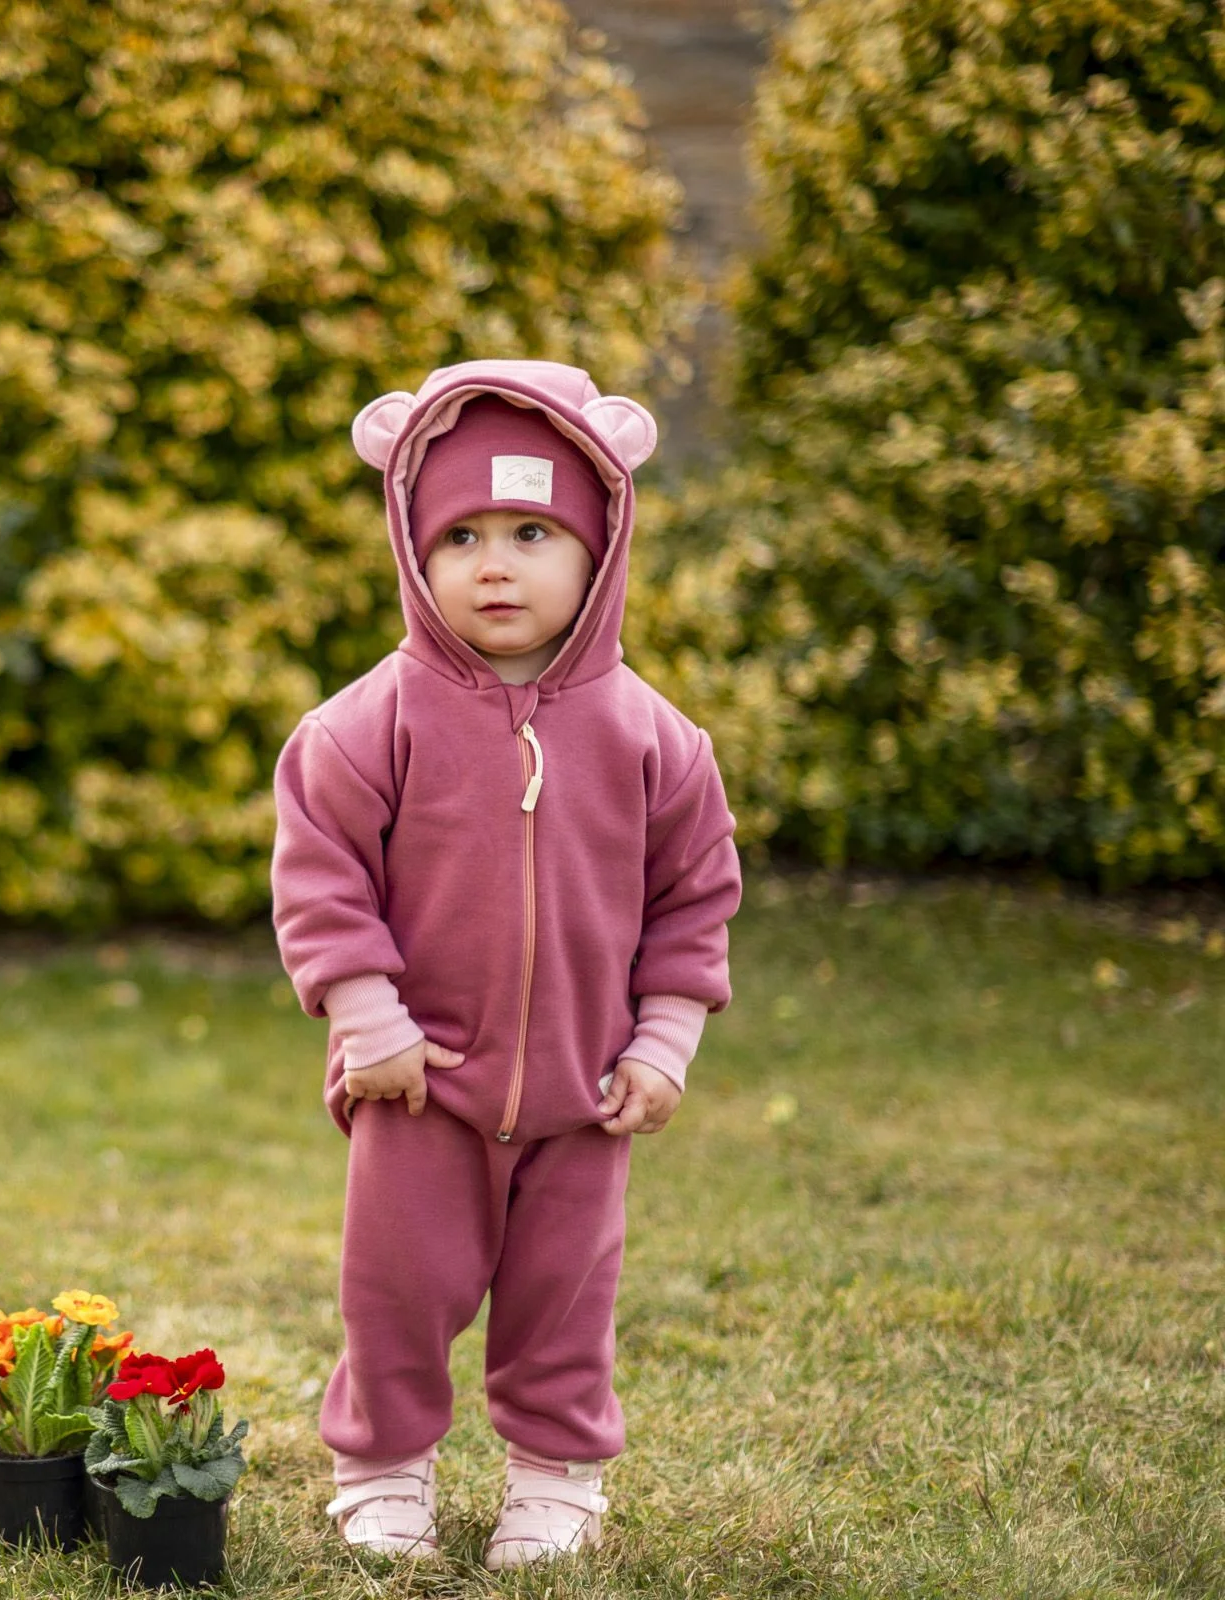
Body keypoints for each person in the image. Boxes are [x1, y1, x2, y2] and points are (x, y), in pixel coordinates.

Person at [270, 359, 742, 1569]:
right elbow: (321, 878)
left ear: (599, 548)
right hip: (417, 1082)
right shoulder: (364, 725)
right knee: (396, 1291)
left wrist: (664, 1040)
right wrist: (368, 1019)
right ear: (412, 551)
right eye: (461, 536)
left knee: (564, 1301)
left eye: (532, 533)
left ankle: (555, 1476)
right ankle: (383, 1469)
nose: (494, 564)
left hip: (586, 1093)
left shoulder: (655, 739)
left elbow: (694, 899)